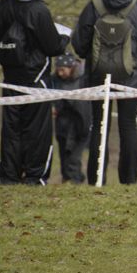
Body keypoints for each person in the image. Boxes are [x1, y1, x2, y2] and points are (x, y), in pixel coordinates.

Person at [72, 0, 137, 185]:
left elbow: (80, 45)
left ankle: (96, 179)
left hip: (98, 76)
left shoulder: (93, 6)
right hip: (130, 77)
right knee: (128, 125)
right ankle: (129, 181)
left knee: (99, 126)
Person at [0, 0, 69, 185]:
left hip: (11, 76)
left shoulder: (4, 4)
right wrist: (65, 38)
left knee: (11, 130)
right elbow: (53, 47)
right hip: (37, 78)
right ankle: (35, 177)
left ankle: (9, 176)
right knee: (38, 131)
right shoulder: (39, 9)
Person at [51, 52, 91, 184]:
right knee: (63, 153)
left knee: (74, 156)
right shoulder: (54, 80)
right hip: (62, 123)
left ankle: (74, 179)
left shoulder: (84, 79)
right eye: (58, 69)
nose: (60, 73)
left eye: (62, 69)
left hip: (80, 123)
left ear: (71, 67)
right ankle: (67, 178)